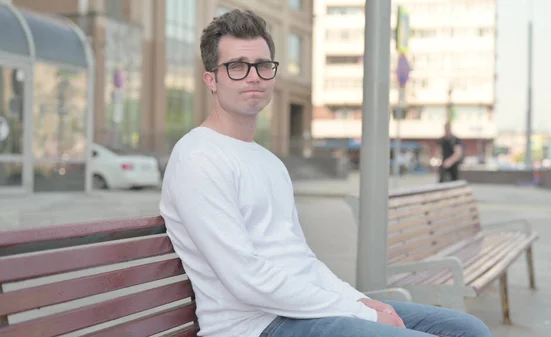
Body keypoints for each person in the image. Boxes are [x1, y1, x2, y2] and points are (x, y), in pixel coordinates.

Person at [160, 9, 491, 337]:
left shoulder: (269, 162)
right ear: (211, 79)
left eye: (263, 65)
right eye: (237, 67)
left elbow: (302, 260)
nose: (253, 76)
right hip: (254, 327)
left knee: (466, 329)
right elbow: (246, 279)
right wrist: (360, 313)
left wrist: (360, 301)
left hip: (302, 313)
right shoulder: (198, 158)